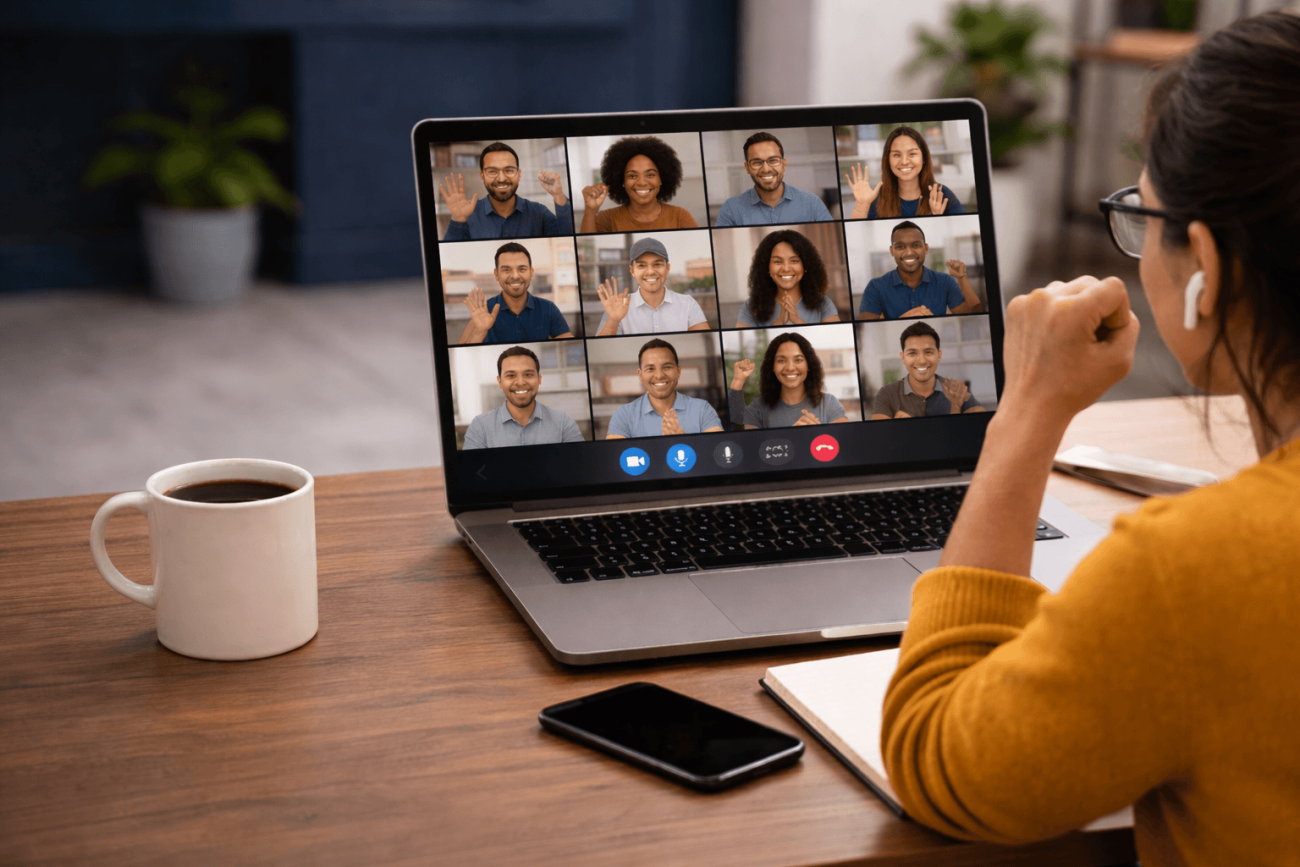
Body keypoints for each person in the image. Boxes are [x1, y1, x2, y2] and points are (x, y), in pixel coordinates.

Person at [880, 13, 1300, 865]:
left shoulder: (1192, 574)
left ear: (1206, 270)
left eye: (1142, 216)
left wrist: (1026, 411)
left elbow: (939, 753)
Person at [439, 142, 573, 240]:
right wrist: (458, 219)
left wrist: (558, 195)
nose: (501, 178)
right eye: (492, 171)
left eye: (508, 170)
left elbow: (567, 240)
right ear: (482, 176)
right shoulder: (468, 215)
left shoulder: (539, 212)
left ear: (519, 174)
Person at [462, 346, 584, 449]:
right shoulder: (480, 427)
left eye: (528, 374)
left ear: (539, 379)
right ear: (500, 382)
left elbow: (581, 465)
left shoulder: (563, 423)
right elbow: (471, 472)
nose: (520, 382)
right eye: (511, 375)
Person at [858, 221, 982, 319]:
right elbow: (866, 326)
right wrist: (903, 319)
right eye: (900, 247)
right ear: (892, 251)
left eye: (915, 245)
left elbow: (977, 314)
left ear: (926, 248)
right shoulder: (875, 287)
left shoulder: (945, 281)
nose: (909, 253)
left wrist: (961, 277)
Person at [458, 242, 574, 344]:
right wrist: (479, 332)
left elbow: (569, 342)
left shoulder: (548, 308)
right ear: (496, 274)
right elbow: (464, 350)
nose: (515, 276)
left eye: (522, 269)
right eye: (506, 270)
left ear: (531, 272)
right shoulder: (484, 310)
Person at [606, 338, 723, 438]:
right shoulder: (623, 415)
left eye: (667, 367)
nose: (659, 375)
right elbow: (615, 457)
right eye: (650, 369)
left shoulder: (703, 410)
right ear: (640, 375)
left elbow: (717, 451)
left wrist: (682, 438)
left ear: (678, 371)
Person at [727, 333, 849, 429]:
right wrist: (738, 380)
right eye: (781, 360)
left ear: (809, 365)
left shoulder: (829, 403)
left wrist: (818, 433)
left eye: (798, 360)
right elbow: (747, 440)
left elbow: (846, 442)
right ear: (772, 367)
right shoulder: (758, 408)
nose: (790, 367)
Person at [579, 137, 699, 233]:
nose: (641, 182)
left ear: (662, 179)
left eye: (650, 175)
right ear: (622, 181)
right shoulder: (606, 219)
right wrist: (590, 210)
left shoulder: (681, 217)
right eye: (632, 176)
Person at [594, 237, 711, 336]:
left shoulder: (687, 304)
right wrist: (613, 321)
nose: (650, 272)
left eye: (657, 264)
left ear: (667, 268)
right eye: (641, 266)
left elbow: (703, 338)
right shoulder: (619, 305)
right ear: (632, 270)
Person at [844, 126, 966, 220]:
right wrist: (861, 205)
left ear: (923, 157)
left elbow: (965, 228)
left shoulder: (942, 194)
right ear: (888, 160)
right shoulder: (876, 198)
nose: (904, 161)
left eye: (912, 154)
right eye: (896, 155)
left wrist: (938, 219)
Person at [715, 132, 833, 227]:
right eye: (757, 162)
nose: (766, 169)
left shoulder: (811, 202)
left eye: (773, 160)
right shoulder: (731, 209)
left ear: (784, 164)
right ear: (747, 168)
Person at [870, 321, 984, 419]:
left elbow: (982, 427)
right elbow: (879, 438)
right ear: (903, 358)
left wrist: (955, 407)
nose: (921, 361)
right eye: (912, 353)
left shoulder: (956, 390)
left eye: (928, 352)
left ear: (939, 355)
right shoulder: (886, 394)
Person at [735, 229, 841, 328]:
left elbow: (835, 339)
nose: (786, 268)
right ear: (766, 267)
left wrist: (798, 321)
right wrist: (779, 322)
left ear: (805, 266)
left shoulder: (824, 304)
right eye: (777, 261)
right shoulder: (750, 307)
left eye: (794, 261)